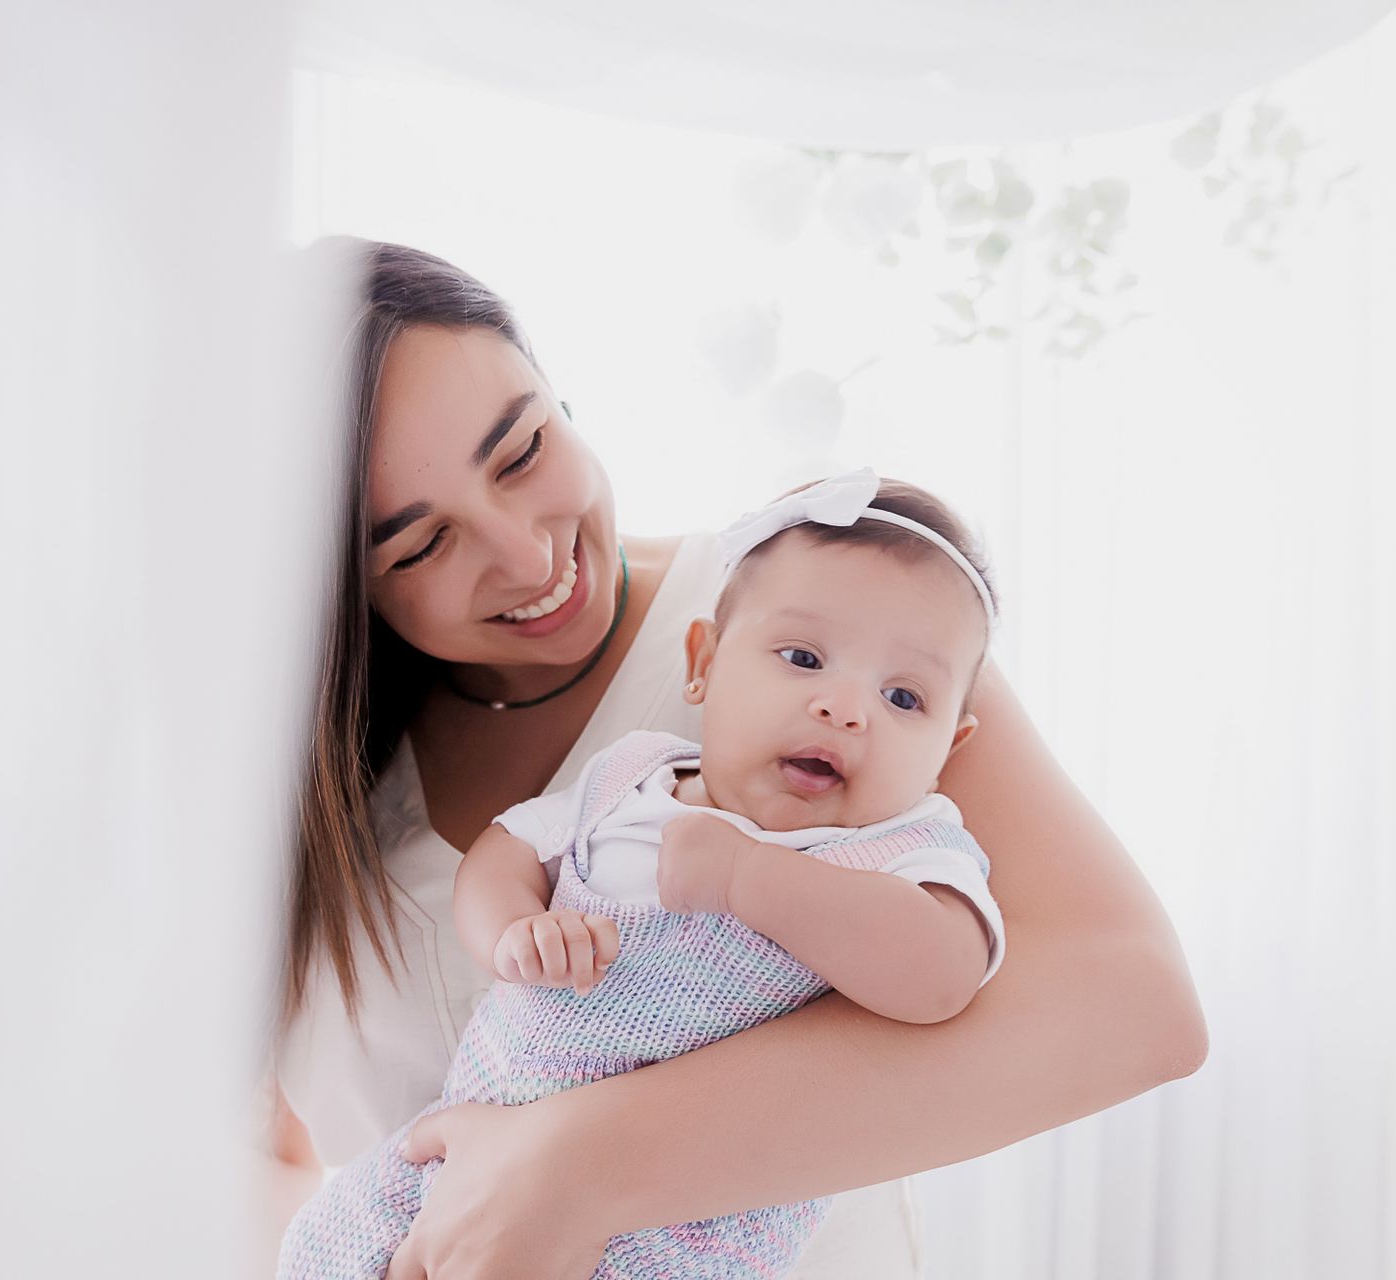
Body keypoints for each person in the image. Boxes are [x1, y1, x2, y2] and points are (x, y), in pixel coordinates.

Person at [258, 239, 1207, 1280]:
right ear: (336, 583)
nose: (528, 556)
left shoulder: (813, 612)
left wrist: (580, 1161)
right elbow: (271, 1145)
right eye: (418, 544)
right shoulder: (301, 780)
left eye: (523, 450)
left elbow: (1134, 1004)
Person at [277, 469, 1010, 1278]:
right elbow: (505, 849)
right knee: (327, 1247)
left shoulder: (906, 848)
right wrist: (516, 930)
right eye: (803, 657)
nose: (846, 708)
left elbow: (942, 977)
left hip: (686, 1228)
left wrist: (750, 880)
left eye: (904, 698)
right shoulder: (634, 778)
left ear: (952, 748)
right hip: (470, 1147)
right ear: (703, 663)